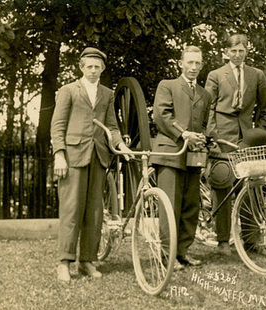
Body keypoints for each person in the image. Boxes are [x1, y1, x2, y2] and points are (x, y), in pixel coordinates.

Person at [51, 47, 133, 283]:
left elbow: (112, 126)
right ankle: (64, 263)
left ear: (103, 69)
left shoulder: (107, 94)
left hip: (99, 157)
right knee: (71, 211)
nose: (94, 70)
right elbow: (57, 126)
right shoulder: (68, 91)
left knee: (95, 212)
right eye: (90, 66)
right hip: (73, 157)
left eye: (98, 67)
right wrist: (59, 154)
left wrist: (121, 146)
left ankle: (87, 260)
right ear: (81, 67)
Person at [205, 34, 266, 256]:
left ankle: (252, 241)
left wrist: (259, 132)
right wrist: (212, 137)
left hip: (248, 140)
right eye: (233, 51)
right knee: (223, 186)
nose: (237, 55)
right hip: (222, 140)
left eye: (241, 50)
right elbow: (208, 108)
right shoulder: (215, 75)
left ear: (247, 51)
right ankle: (223, 241)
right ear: (226, 52)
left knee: (252, 187)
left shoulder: (257, 75)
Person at [151, 45, 211, 269]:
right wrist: (183, 133)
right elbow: (161, 115)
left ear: (202, 65)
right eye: (190, 62)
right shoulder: (167, 86)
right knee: (170, 205)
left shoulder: (205, 94)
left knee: (190, 206)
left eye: (198, 63)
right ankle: (167, 255)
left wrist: (201, 137)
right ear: (181, 64)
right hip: (170, 153)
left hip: (193, 156)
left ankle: (182, 252)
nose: (193, 67)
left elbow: (204, 123)